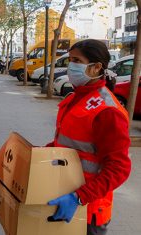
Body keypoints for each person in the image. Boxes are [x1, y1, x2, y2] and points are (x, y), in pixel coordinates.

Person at [46, 39, 131, 235]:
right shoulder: (76, 98)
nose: (70, 66)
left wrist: (78, 197)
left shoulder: (107, 111)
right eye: (70, 60)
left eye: (76, 60)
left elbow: (119, 168)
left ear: (96, 67)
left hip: (88, 209)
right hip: (64, 194)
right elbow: (69, 144)